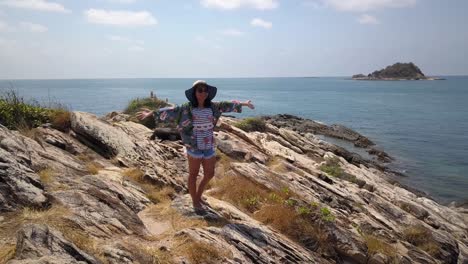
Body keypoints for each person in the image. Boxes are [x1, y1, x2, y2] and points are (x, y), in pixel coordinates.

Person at [136, 80, 255, 213]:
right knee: (193, 174)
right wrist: (150, 113)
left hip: (208, 144)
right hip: (194, 146)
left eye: (205, 90)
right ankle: (195, 201)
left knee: (210, 174)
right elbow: (170, 111)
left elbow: (227, 104)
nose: (203, 93)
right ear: (194, 93)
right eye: (200, 90)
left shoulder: (213, 107)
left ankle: (198, 196)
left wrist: (245, 104)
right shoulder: (186, 108)